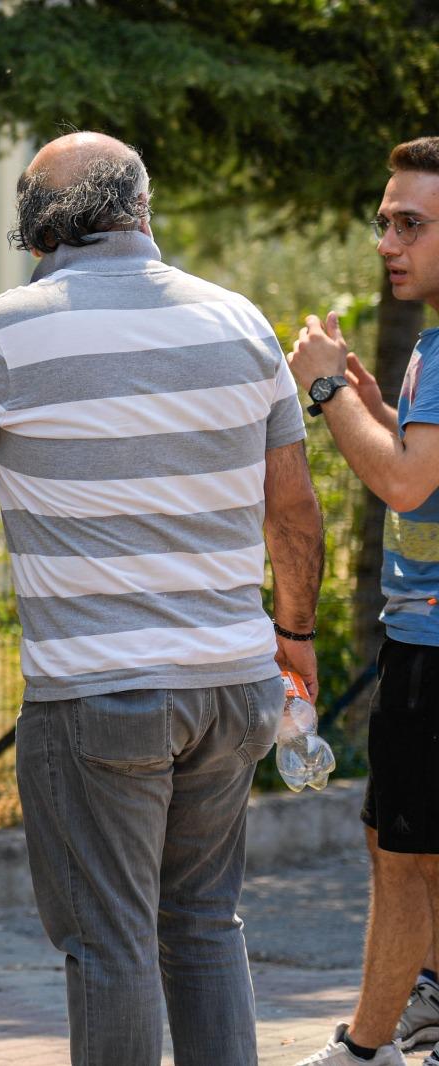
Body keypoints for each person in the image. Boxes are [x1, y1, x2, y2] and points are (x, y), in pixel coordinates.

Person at [0, 132, 325, 1066]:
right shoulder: (240, 321)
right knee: (203, 925)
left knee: (109, 944)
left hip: (97, 694)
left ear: (39, 226)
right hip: (235, 684)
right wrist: (295, 640)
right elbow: (295, 511)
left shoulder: (11, 327)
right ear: (140, 209)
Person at [286, 136, 439, 1066]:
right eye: (383, 221)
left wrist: (327, 390)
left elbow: (408, 487)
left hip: (429, 644)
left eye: (412, 223)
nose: (388, 239)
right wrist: (378, 410)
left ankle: (366, 1048)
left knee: (401, 856)